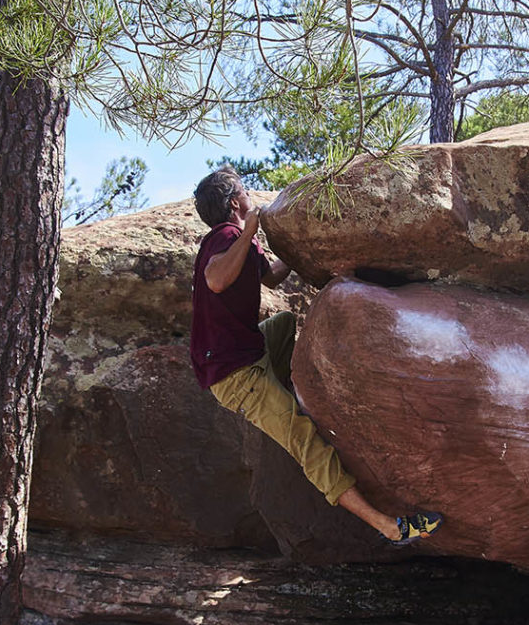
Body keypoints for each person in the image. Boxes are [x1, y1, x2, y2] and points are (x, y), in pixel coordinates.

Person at [190, 167, 443, 545]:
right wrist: (248, 231)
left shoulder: (241, 243)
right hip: (235, 375)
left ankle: (300, 398)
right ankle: (388, 526)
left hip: (249, 350)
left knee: (284, 321)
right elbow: (216, 280)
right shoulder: (224, 236)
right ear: (234, 203)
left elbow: (272, 277)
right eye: (244, 190)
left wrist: (302, 248)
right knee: (303, 438)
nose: (250, 194)